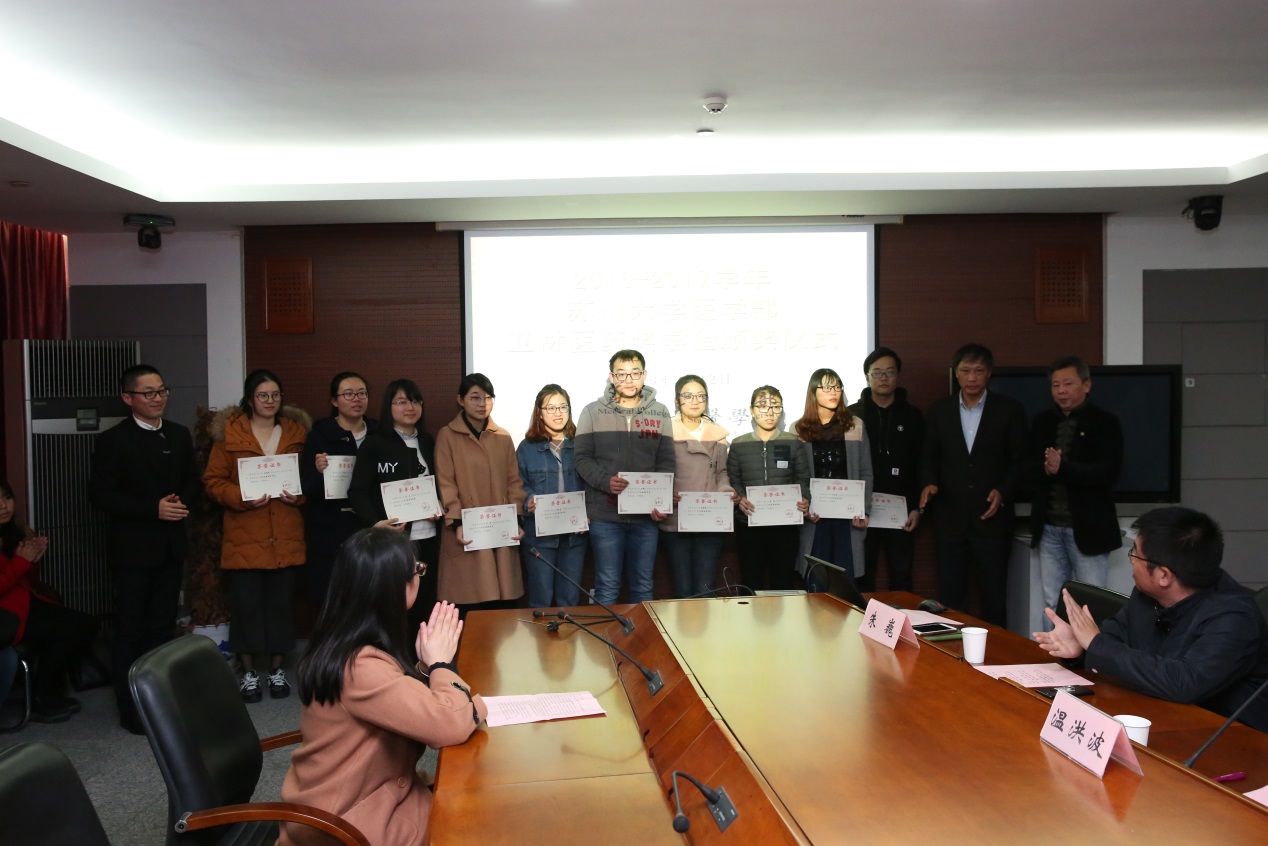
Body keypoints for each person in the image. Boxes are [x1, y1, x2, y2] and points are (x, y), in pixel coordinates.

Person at [279, 528, 486, 846]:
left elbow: (394, 693)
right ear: (396, 587)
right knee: (480, 820)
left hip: (363, 800)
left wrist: (426, 668)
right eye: (417, 570)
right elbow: (450, 725)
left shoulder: (344, 644)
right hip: (344, 824)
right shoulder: (359, 667)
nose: (420, 577)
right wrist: (442, 665)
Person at [1036, 507, 1268, 732]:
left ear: (1163, 575)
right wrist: (1082, 648)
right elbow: (1113, 640)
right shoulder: (1148, 594)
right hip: (1161, 717)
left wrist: (1096, 644)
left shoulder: (1235, 618)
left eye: (1134, 554)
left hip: (1229, 737)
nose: (1131, 561)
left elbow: (1184, 683)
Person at [88, 363, 201, 733]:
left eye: (162, 391)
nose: (158, 398)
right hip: (133, 551)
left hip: (170, 548)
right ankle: (131, 709)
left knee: (162, 629)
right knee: (130, 630)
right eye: (149, 393)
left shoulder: (178, 434)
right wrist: (153, 509)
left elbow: (193, 481)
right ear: (128, 397)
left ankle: (162, 701)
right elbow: (101, 496)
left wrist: (181, 501)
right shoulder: (113, 440)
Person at [203, 369, 310, 702]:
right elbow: (213, 480)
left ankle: (277, 670)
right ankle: (249, 673)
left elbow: (309, 479)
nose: (269, 401)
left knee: (281, 607)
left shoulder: (296, 432)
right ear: (249, 399)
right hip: (244, 534)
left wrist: (300, 495)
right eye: (263, 395)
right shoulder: (230, 434)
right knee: (246, 607)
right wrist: (241, 497)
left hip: (285, 533)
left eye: (275, 395)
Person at [920, 343, 1027, 626]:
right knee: (951, 596)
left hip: (992, 520)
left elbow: (1020, 461)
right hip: (949, 517)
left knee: (994, 596)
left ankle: (996, 651)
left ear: (989, 373)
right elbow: (929, 456)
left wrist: (1003, 491)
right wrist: (929, 483)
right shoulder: (940, 410)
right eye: (965, 370)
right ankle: (952, 649)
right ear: (956, 373)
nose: (972, 378)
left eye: (978, 371)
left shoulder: (1009, 410)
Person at [574, 350, 675, 605]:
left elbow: (665, 462)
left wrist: (661, 502)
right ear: (611, 377)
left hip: (646, 518)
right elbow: (582, 458)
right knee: (607, 586)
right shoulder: (592, 411)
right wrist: (605, 481)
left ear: (644, 375)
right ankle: (607, 633)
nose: (628, 380)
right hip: (605, 517)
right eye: (621, 374)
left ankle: (641, 634)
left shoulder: (660, 412)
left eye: (635, 373)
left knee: (643, 586)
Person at [1028, 355, 1123, 625]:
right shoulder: (1042, 422)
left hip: (1088, 528)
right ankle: (1053, 652)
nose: (1061, 391)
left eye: (1068, 384)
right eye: (1056, 385)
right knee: (1053, 602)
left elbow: (1109, 472)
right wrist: (1045, 468)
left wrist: (1063, 468)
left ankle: (1092, 653)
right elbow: (1026, 466)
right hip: (1049, 528)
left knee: (1091, 605)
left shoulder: (1105, 423)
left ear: (1086, 385)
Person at [348, 378, 442, 634]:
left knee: (425, 602)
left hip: (428, 537)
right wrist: (375, 524)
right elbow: (357, 491)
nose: (409, 407)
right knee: (393, 605)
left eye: (415, 401)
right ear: (388, 406)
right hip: (393, 540)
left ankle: (422, 655)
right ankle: (393, 656)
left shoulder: (428, 441)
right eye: (401, 401)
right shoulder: (375, 443)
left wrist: (438, 505)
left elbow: (436, 485)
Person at [1, 479, 98, 723]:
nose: (3, 506)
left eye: (7, 498)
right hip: (6, 616)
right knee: (70, 628)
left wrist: (32, 560)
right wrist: (22, 561)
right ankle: (40, 695)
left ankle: (47, 690)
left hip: (24, 603)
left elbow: (27, 581)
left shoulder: (14, 530)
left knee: (84, 623)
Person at [434, 373, 525, 613]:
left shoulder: (503, 436)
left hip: (500, 530)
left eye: (488, 398)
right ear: (460, 400)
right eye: (475, 397)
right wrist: (457, 522)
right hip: (466, 530)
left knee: (501, 607)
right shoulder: (447, 435)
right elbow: (445, 482)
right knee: (469, 602)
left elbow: (514, 482)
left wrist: (516, 519)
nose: (482, 404)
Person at [849, 348, 925, 592]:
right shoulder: (852, 416)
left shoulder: (912, 416)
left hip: (900, 510)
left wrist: (917, 508)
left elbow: (922, 463)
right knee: (862, 576)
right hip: (862, 510)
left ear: (898, 376)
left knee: (901, 577)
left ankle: (902, 619)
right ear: (867, 377)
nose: (883, 378)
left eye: (889, 372)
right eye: (877, 373)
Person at [300, 372, 378, 605]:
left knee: (371, 596)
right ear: (334, 401)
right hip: (330, 531)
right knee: (332, 599)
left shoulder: (379, 433)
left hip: (370, 527)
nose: (357, 399)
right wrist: (319, 471)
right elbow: (308, 488)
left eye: (362, 393)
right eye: (348, 394)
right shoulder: (319, 436)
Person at [795, 368, 873, 590]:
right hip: (815, 518)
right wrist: (804, 506)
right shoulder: (799, 428)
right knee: (815, 583)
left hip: (847, 518)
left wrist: (865, 510)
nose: (833, 392)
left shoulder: (855, 425)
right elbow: (796, 475)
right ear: (813, 391)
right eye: (827, 387)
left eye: (837, 386)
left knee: (846, 585)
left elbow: (866, 471)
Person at [728, 386, 811, 592]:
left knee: (782, 583)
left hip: (785, 525)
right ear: (752, 410)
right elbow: (733, 479)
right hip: (749, 522)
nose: (770, 412)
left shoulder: (793, 442)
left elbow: (802, 478)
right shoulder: (738, 444)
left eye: (775, 406)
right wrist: (741, 498)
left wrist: (804, 498)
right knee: (751, 581)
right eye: (763, 406)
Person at [658, 375, 735, 598]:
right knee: (682, 590)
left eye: (701, 396)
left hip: (709, 519)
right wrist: (664, 494)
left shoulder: (717, 434)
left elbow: (721, 473)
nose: (695, 401)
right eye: (688, 396)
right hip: (676, 519)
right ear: (677, 400)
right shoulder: (665, 432)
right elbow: (657, 472)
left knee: (705, 589)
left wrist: (726, 492)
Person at [517, 384, 589, 608]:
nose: (558, 413)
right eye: (551, 408)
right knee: (541, 599)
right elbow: (517, 484)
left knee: (569, 599)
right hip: (540, 536)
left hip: (574, 536)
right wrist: (528, 499)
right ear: (539, 412)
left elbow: (591, 484)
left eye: (563, 407)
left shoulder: (581, 445)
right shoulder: (526, 448)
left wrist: (587, 513)